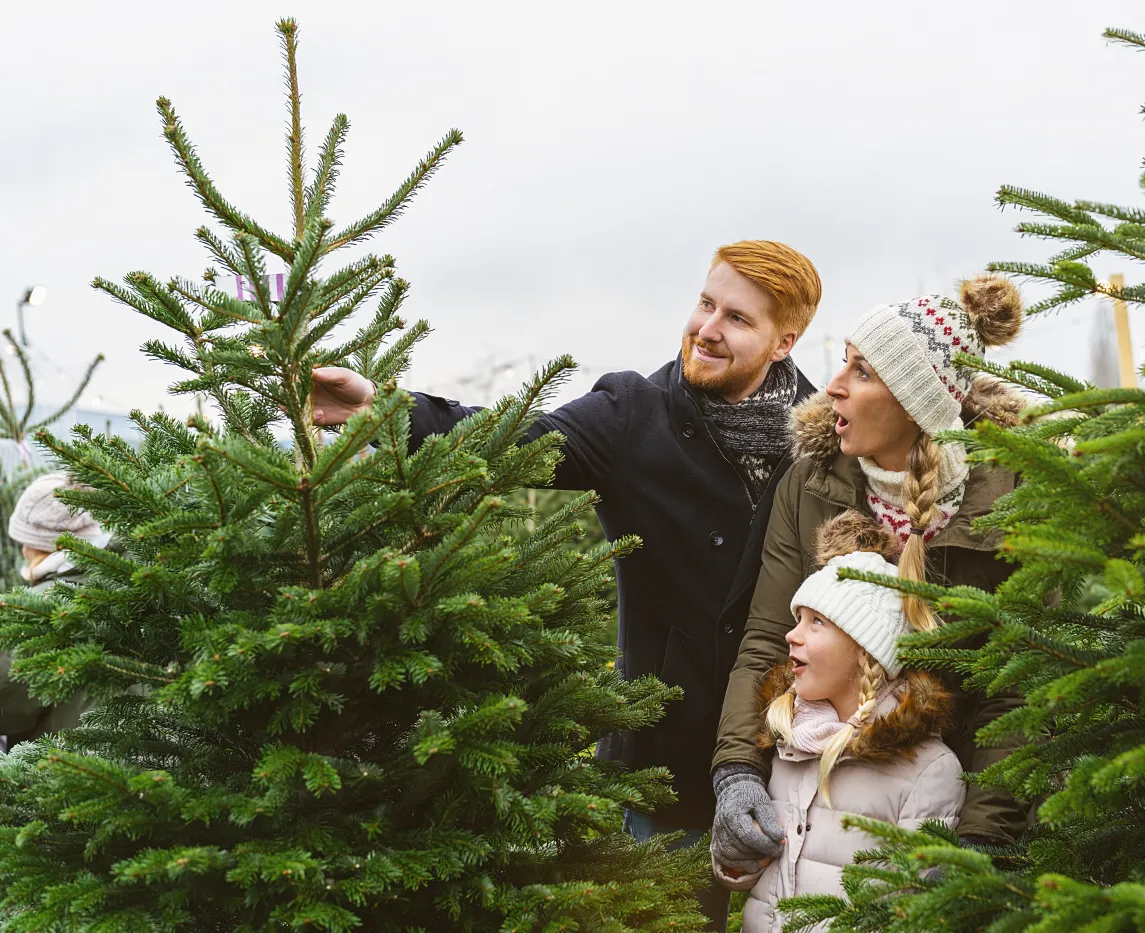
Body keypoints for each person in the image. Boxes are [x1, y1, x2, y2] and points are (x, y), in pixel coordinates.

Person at [309, 241, 823, 930]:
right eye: (706, 303)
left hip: (792, 765)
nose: (707, 327)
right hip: (659, 771)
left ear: (785, 340)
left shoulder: (822, 438)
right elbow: (507, 439)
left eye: (736, 318)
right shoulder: (634, 413)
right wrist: (382, 406)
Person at [711, 276, 1030, 877]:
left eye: (862, 372)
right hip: (821, 795)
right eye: (843, 364)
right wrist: (736, 774)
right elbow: (765, 641)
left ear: (917, 403)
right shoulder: (809, 484)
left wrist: (979, 843)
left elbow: (1018, 692)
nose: (832, 386)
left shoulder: (1011, 502)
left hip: (943, 803)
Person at [713, 513, 966, 933]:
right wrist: (733, 860)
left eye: (817, 622)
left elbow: (917, 914)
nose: (792, 636)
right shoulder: (786, 740)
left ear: (865, 651)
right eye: (797, 620)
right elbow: (752, 879)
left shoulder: (929, 772)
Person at [0, 471, 110, 750]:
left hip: (68, 774)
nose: (23, 551)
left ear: (45, 544)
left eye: (27, 541)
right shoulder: (135, 580)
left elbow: (9, 704)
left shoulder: (38, 610)